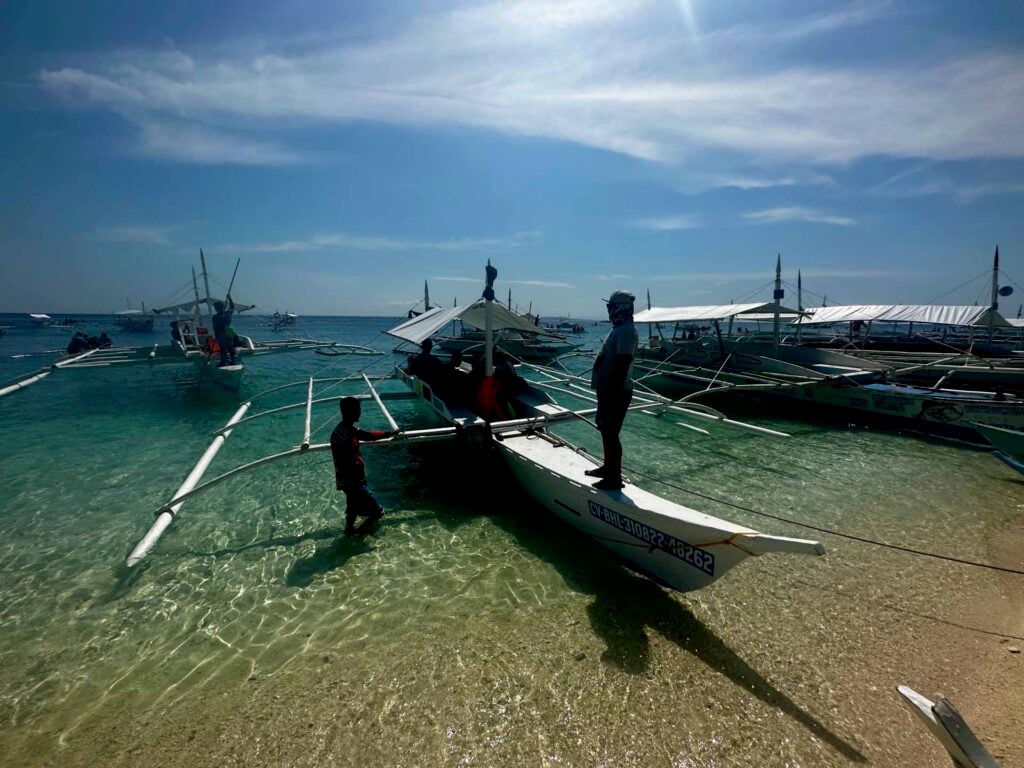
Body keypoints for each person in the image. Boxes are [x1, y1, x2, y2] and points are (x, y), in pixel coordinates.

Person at [587, 290, 638, 490]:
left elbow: (623, 362)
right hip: (608, 390)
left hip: (615, 391)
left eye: (611, 306)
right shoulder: (619, 328)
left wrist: (613, 393)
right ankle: (607, 467)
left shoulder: (626, 331)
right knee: (606, 431)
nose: (609, 310)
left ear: (621, 307)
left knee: (611, 433)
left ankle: (613, 477)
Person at [330, 396, 400, 535]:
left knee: (353, 508)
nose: (360, 412)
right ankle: (359, 533)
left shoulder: (347, 429)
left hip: (349, 480)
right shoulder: (343, 433)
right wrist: (354, 483)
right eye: (358, 409)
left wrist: (390, 433)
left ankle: (349, 531)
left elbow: (368, 435)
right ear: (351, 411)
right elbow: (343, 461)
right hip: (353, 481)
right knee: (378, 512)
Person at [212, 296, 236, 366]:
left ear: (217, 308)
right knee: (230, 347)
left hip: (222, 334)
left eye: (215, 308)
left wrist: (216, 336)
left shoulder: (216, 316)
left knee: (224, 348)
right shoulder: (226, 313)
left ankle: (224, 362)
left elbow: (215, 327)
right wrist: (230, 298)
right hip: (228, 333)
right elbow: (232, 307)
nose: (215, 309)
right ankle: (231, 361)